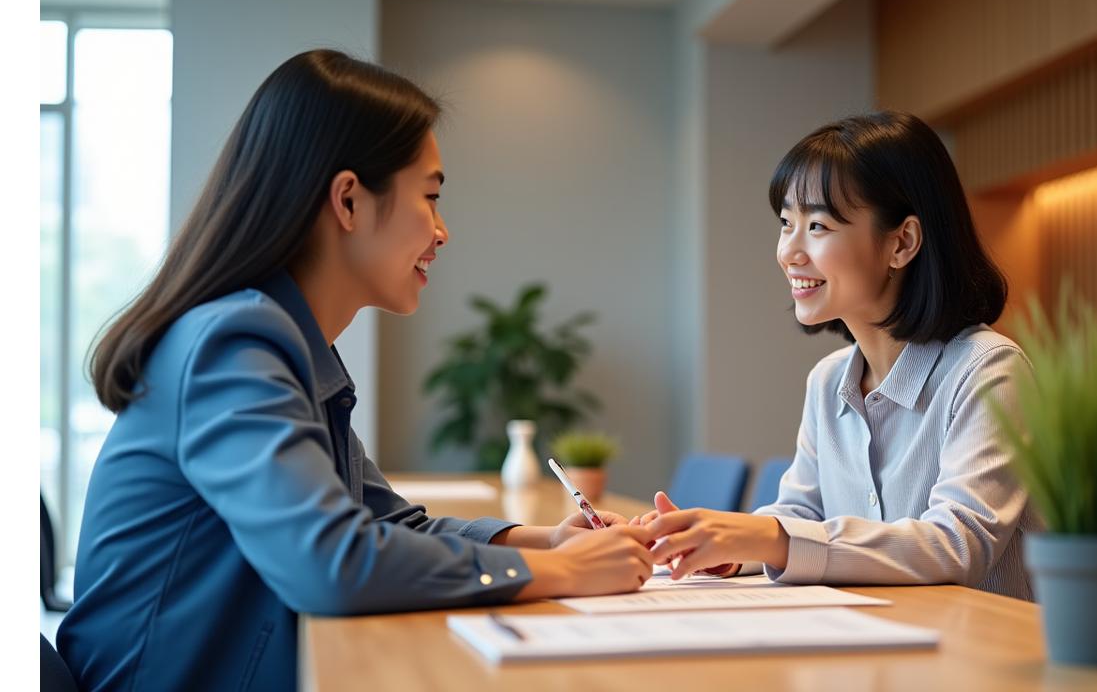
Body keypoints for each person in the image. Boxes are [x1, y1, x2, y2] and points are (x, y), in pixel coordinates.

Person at [56, 49, 654, 691]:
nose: (443, 231)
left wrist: (544, 543)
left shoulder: (282, 343)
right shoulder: (233, 344)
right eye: (430, 197)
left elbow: (388, 526)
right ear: (348, 200)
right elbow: (329, 563)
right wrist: (565, 575)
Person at [637, 111, 1035, 600]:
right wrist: (715, 546)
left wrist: (771, 539)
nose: (789, 251)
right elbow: (799, 517)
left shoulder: (988, 370)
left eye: (818, 226)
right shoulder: (828, 381)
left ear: (902, 242)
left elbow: (958, 544)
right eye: (787, 223)